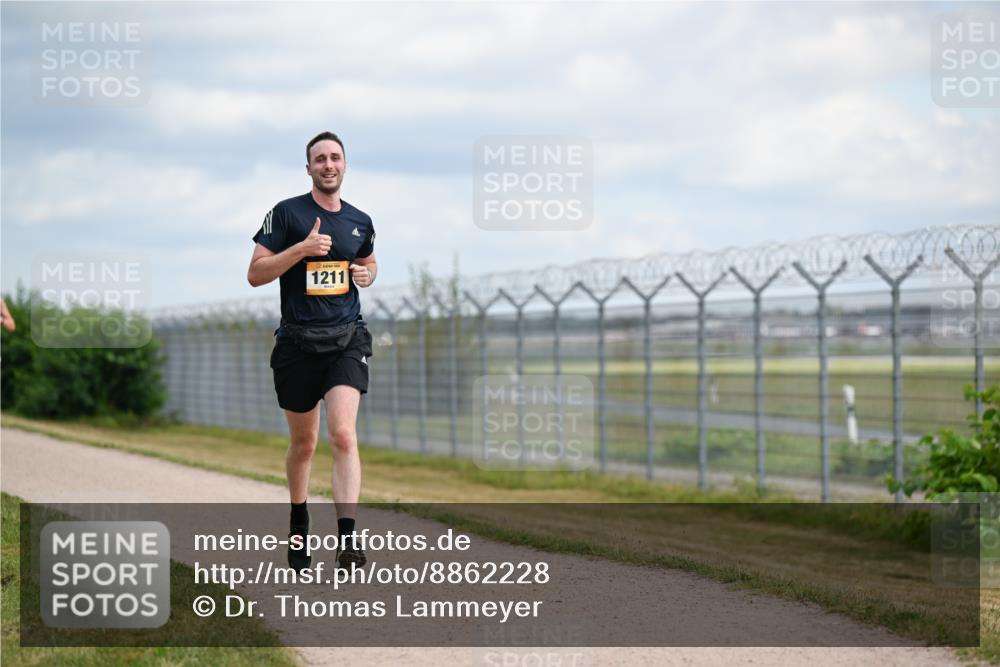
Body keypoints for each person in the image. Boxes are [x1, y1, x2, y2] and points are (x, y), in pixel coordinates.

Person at [247, 131, 377, 571]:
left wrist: (367, 275)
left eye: (335, 157)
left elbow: (368, 260)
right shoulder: (286, 214)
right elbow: (256, 273)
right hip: (298, 344)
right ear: (309, 169)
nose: (328, 164)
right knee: (304, 445)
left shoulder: (360, 220)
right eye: (319, 159)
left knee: (343, 435)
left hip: (346, 339)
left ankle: (348, 541)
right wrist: (302, 249)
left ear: (344, 165)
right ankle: (299, 523)